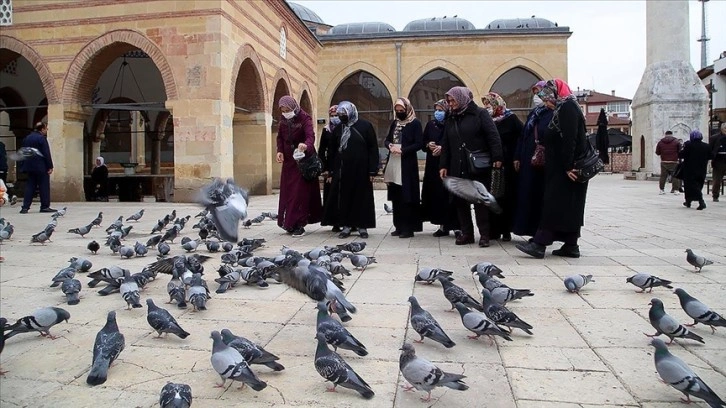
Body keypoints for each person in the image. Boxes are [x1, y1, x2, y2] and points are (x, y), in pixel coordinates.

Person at [515, 79, 589, 259]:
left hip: (567, 169)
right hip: (566, 167)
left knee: (553, 205)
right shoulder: (565, 107)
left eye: (548, 98)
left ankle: (539, 244)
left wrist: (567, 166)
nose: (546, 102)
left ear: (556, 94)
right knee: (569, 207)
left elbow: (570, 139)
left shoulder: (568, 108)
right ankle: (571, 245)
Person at [439, 86, 503, 248]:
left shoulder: (480, 114)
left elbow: (493, 135)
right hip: (457, 165)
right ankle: (466, 233)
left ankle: (485, 235)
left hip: (477, 165)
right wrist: (443, 164)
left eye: (453, 100)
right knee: (460, 201)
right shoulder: (451, 117)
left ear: (462, 99)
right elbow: (446, 142)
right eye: (449, 101)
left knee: (480, 200)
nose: (451, 103)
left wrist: (497, 157)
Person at [321, 101, 378, 239]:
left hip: (361, 170)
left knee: (362, 197)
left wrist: (372, 170)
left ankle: (362, 226)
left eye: (343, 114)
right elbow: (332, 150)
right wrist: (331, 170)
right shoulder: (338, 128)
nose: (341, 116)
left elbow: (373, 149)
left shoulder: (365, 126)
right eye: (340, 114)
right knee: (345, 198)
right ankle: (346, 225)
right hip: (343, 170)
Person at [275, 95, 323, 236]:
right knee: (288, 192)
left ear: (293, 107)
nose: (285, 112)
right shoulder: (283, 120)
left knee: (299, 193)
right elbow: (280, 137)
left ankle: (298, 223)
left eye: (287, 109)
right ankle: (289, 222)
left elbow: (310, 136)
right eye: (283, 110)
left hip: (303, 161)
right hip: (289, 161)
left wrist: (305, 145)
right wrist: (279, 151)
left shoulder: (304, 118)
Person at [481, 92, 523, 242]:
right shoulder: (486, 120)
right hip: (489, 164)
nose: (487, 107)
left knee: (505, 197)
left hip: (507, 164)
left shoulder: (511, 119)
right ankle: (493, 230)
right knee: (491, 197)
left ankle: (506, 230)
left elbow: (521, 137)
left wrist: (516, 156)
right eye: (485, 105)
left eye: (489, 104)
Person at [512, 81, 552, 238]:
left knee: (538, 197)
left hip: (542, 163)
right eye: (535, 93)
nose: (536, 97)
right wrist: (517, 156)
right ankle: (530, 231)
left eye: (540, 92)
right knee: (527, 196)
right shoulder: (535, 113)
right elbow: (523, 136)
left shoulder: (551, 112)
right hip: (528, 161)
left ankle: (540, 234)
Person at [383, 97, 424, 238]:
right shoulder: (395, 123)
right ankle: (398, 226)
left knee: (407, 196)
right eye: (397, 110)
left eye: (402, 110)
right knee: (396, 195)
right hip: (394, 162)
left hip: (407, 164)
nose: (399, 113)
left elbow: (419, 143)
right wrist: (389, 146)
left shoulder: (415, 123)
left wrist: (404, 150)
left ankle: (409, 227)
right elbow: (387, 139)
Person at [421, 99, 458, 237]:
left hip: (449, 165)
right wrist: (428, 145)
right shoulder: (431, 125)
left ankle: (455, 225)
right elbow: (423, 142)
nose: (438, 113)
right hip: (433, 166)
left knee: (450, 195)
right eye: (436, 110)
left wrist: (443, 148)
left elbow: (456, 142)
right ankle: (443, 226)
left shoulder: (452, 123)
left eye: (441, 110)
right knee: (437, 196)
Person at [20, 122, 55, 214]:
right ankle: (44, 206)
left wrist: (23, 165)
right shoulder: (41, 139)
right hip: (41, 166)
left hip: (29, 166)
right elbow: (46, 153)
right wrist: (50, 166)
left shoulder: (26, 138)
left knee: (30, 186)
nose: (46, 130)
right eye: (46, 128)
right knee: (43, 186)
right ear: (42, 129)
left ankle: (25, 207)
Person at [679, 130, 711, 210]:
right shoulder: (706, 146)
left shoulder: (689, 145)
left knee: (690, 186)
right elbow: (711, 156)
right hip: (702, 169)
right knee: (699, 185)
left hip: (689, 170)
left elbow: (681, 155)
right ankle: (688, 201)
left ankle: (701, 201)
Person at [319, 105, 339, 230]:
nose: (334, 118)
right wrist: (325, 168)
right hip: (330, 165)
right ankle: (334, 222)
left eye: (336, 115)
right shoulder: (326, 130)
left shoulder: (346, 128)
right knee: (331, 194)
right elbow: (322, 150)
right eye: (332, 116)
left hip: (342, 165)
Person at [655, 130, 682, 195]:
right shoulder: (676, 142)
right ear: (672, 134)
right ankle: (676, 190)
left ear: (665, 134)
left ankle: (662, 189)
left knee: (663, 176)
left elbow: (657, 152)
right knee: (675, 176)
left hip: (664, 161)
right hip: (674, 161)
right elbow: (680, 151)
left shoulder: (660, 142)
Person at [708, 122, 726, 202]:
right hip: (719, 160)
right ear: (722, 129)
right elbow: (710, 149)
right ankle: (715, 195)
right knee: (717, 179)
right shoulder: (715, 138)